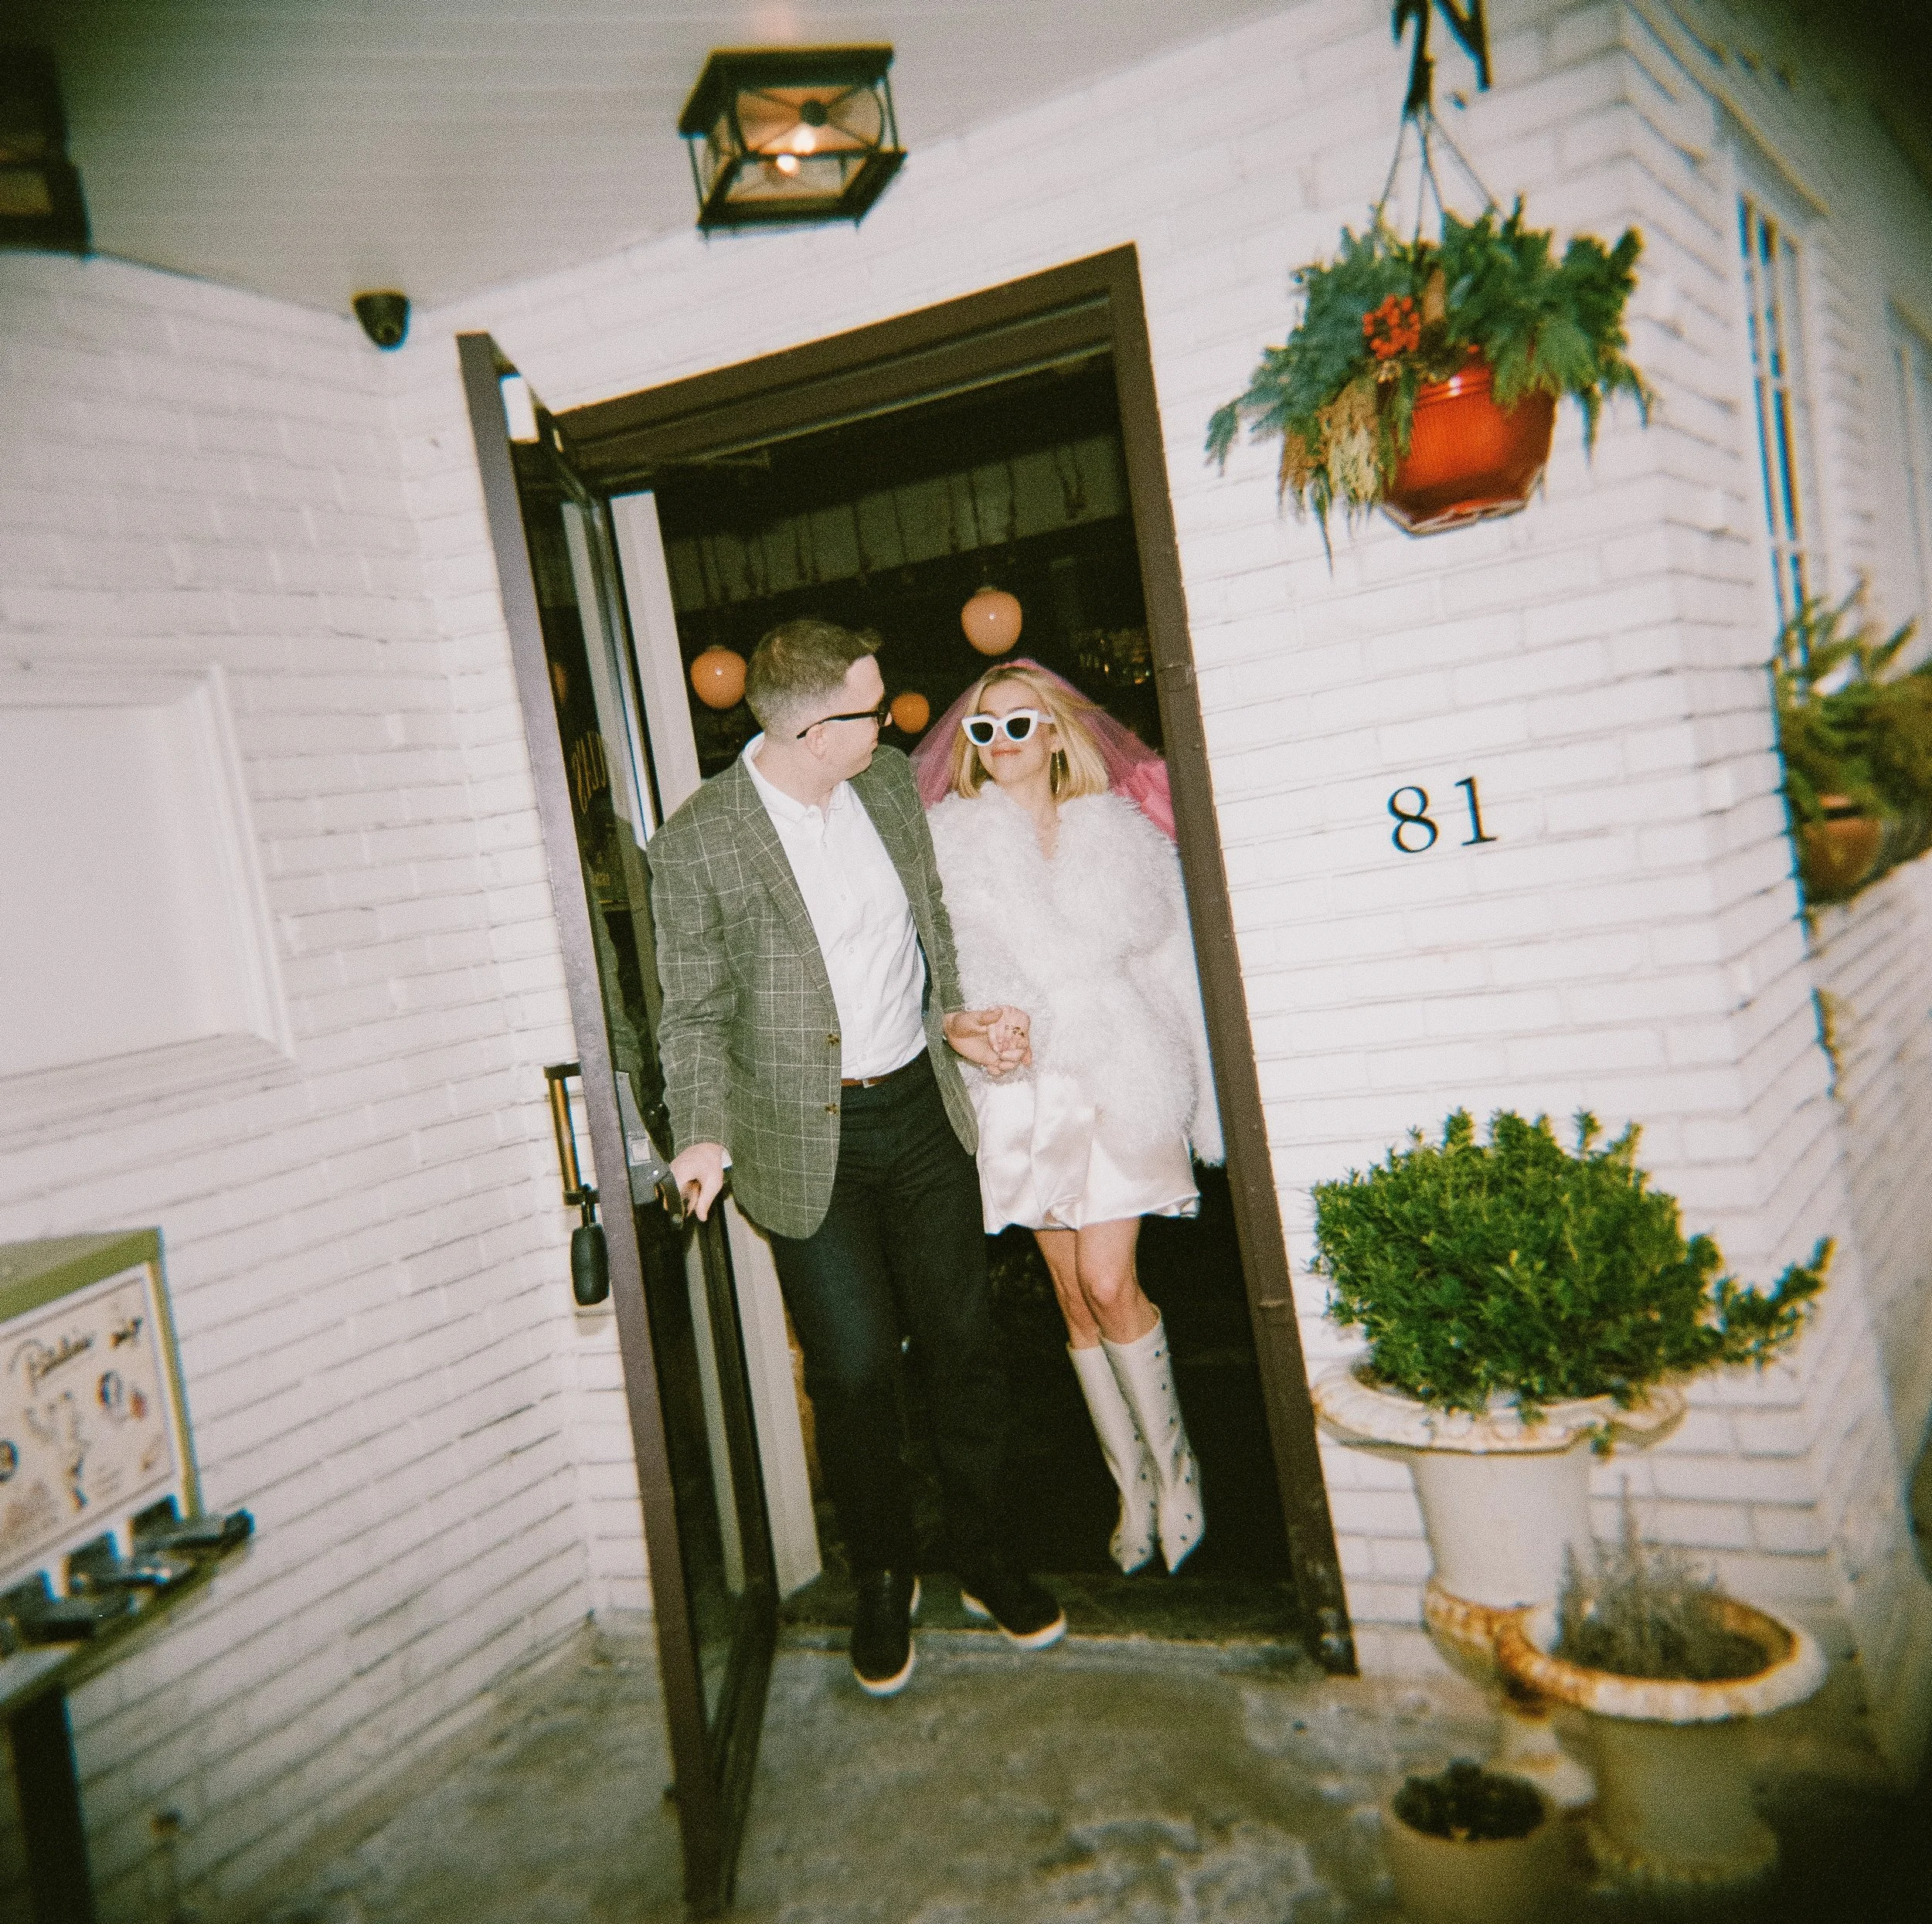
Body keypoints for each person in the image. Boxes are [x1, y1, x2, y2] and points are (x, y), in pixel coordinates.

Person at [648, 617, 1066, 1698]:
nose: (889, 725)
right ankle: (883, 1572)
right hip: (803, 1138)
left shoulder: (882, 788)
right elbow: (689, 1015)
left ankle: (981, 1552)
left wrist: (959, 1022)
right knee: (853, 1373)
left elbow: (928, 931)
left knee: (967, 1340)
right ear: (804, 727)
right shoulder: (700, 844)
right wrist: (699, 1132)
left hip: (920, 1116)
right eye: (869, 710)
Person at [916, 660, 1222, 1576]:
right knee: (1070, 1297)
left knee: (1106, 1276)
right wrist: (968, 1030)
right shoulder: (951, 845)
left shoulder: (1122, 834)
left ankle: (1178, 1474)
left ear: (1054, 731)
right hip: (1022, 1086)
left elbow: (1175, 971)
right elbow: (938, 973)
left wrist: (1201, 1098)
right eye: (984, 729)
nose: (1003, 742)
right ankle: (1126, 1484)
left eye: (1020, 723)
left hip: (1119, 1068)